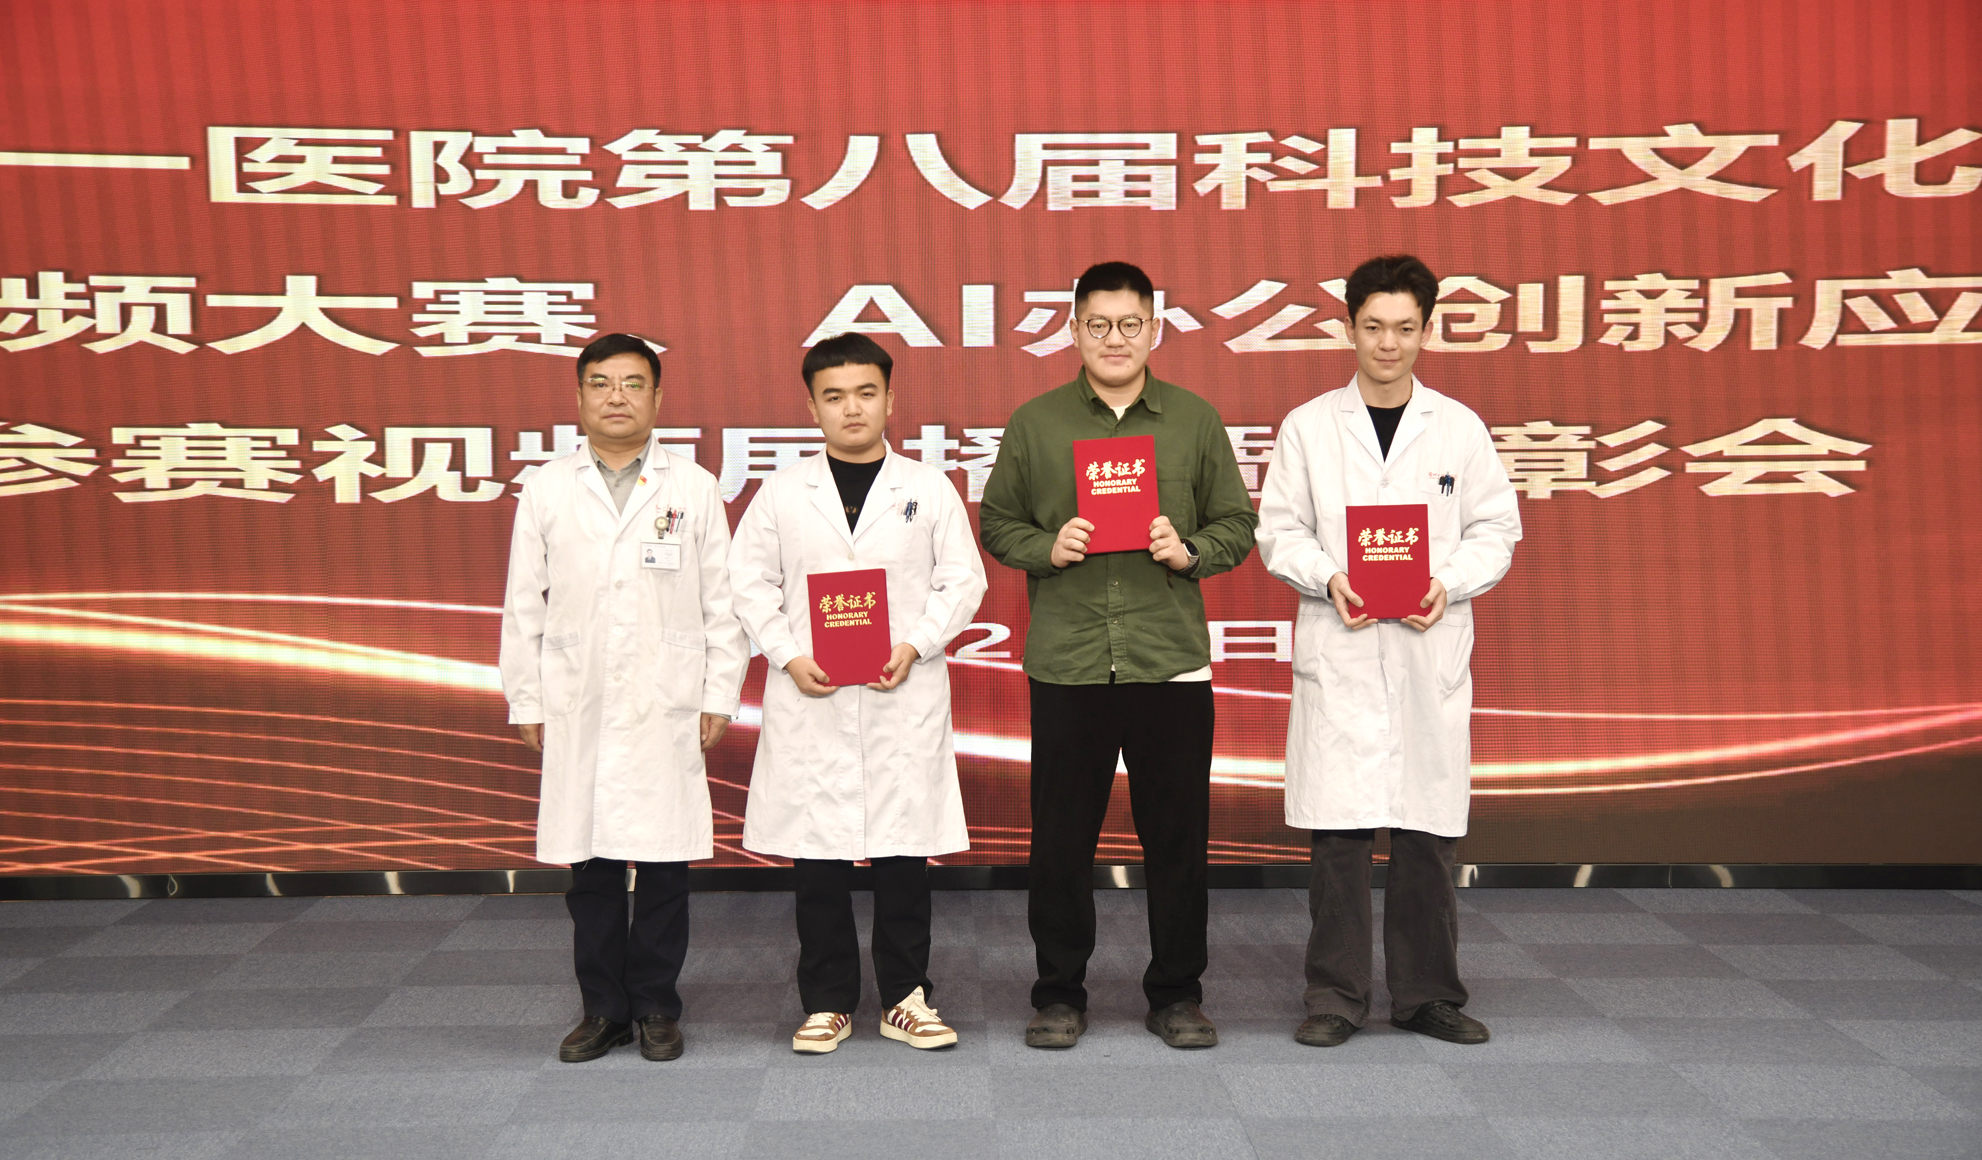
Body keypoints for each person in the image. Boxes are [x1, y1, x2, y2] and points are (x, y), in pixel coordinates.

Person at [978, 262, 1258, 1050]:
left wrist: (1188, 549)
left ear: (1154, 330)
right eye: (1098, 324)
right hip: (1069, 662)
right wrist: (1047, 546)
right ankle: (1058, 993)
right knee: (1061, 842)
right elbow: (996, 523)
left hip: (1169, 661)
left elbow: (1237, 524)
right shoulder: (1036, 423)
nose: (1114, 339)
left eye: (1130, 324)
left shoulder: (1193, 421)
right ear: (1073, 329)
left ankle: (1177, 995)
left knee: (1177, 841)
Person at [1256, 254, 1521, 1048]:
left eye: (1405, 328)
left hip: (1425, 648)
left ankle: (1427, 995)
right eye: (1373, 327)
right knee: (1339, 838)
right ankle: (1335, 998)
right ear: (1348, 328)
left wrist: (1449, 582)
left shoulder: (1459, 428)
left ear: (1427, 332)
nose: (1387, 344)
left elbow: (1495, 529)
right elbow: (1280, 530)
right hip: (1343, 644)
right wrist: (1327, 576)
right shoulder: (1309, 427)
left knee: (1425, 836)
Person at [729, 333, 988, 1054]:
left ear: (890, 400)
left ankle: (906, 998)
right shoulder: (783, 492)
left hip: (900, 689)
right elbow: (748, 582)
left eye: (866, 393)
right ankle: (827, 1002)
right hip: (812, 693)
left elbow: (962, 580)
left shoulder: (927, 488)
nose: (852, 409)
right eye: (835, 396)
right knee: (818, 857)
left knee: (905, 852)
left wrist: (917, 643)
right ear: (812, 406)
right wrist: (787, 653)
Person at [498, 333, 749, 1063]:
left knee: (665, 861)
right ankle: (603, 1008)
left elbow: (722, 603)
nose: (617, 397)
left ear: (657, 398)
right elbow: (523, 602)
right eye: (601, 383)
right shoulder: (548, 487)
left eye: (633, 384)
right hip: (576, 695)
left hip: (667, 696)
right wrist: (527, 699)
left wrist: (719, 693)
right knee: (592, 868)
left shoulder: (692, 486)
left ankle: (658, 1006)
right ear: (579, 396)